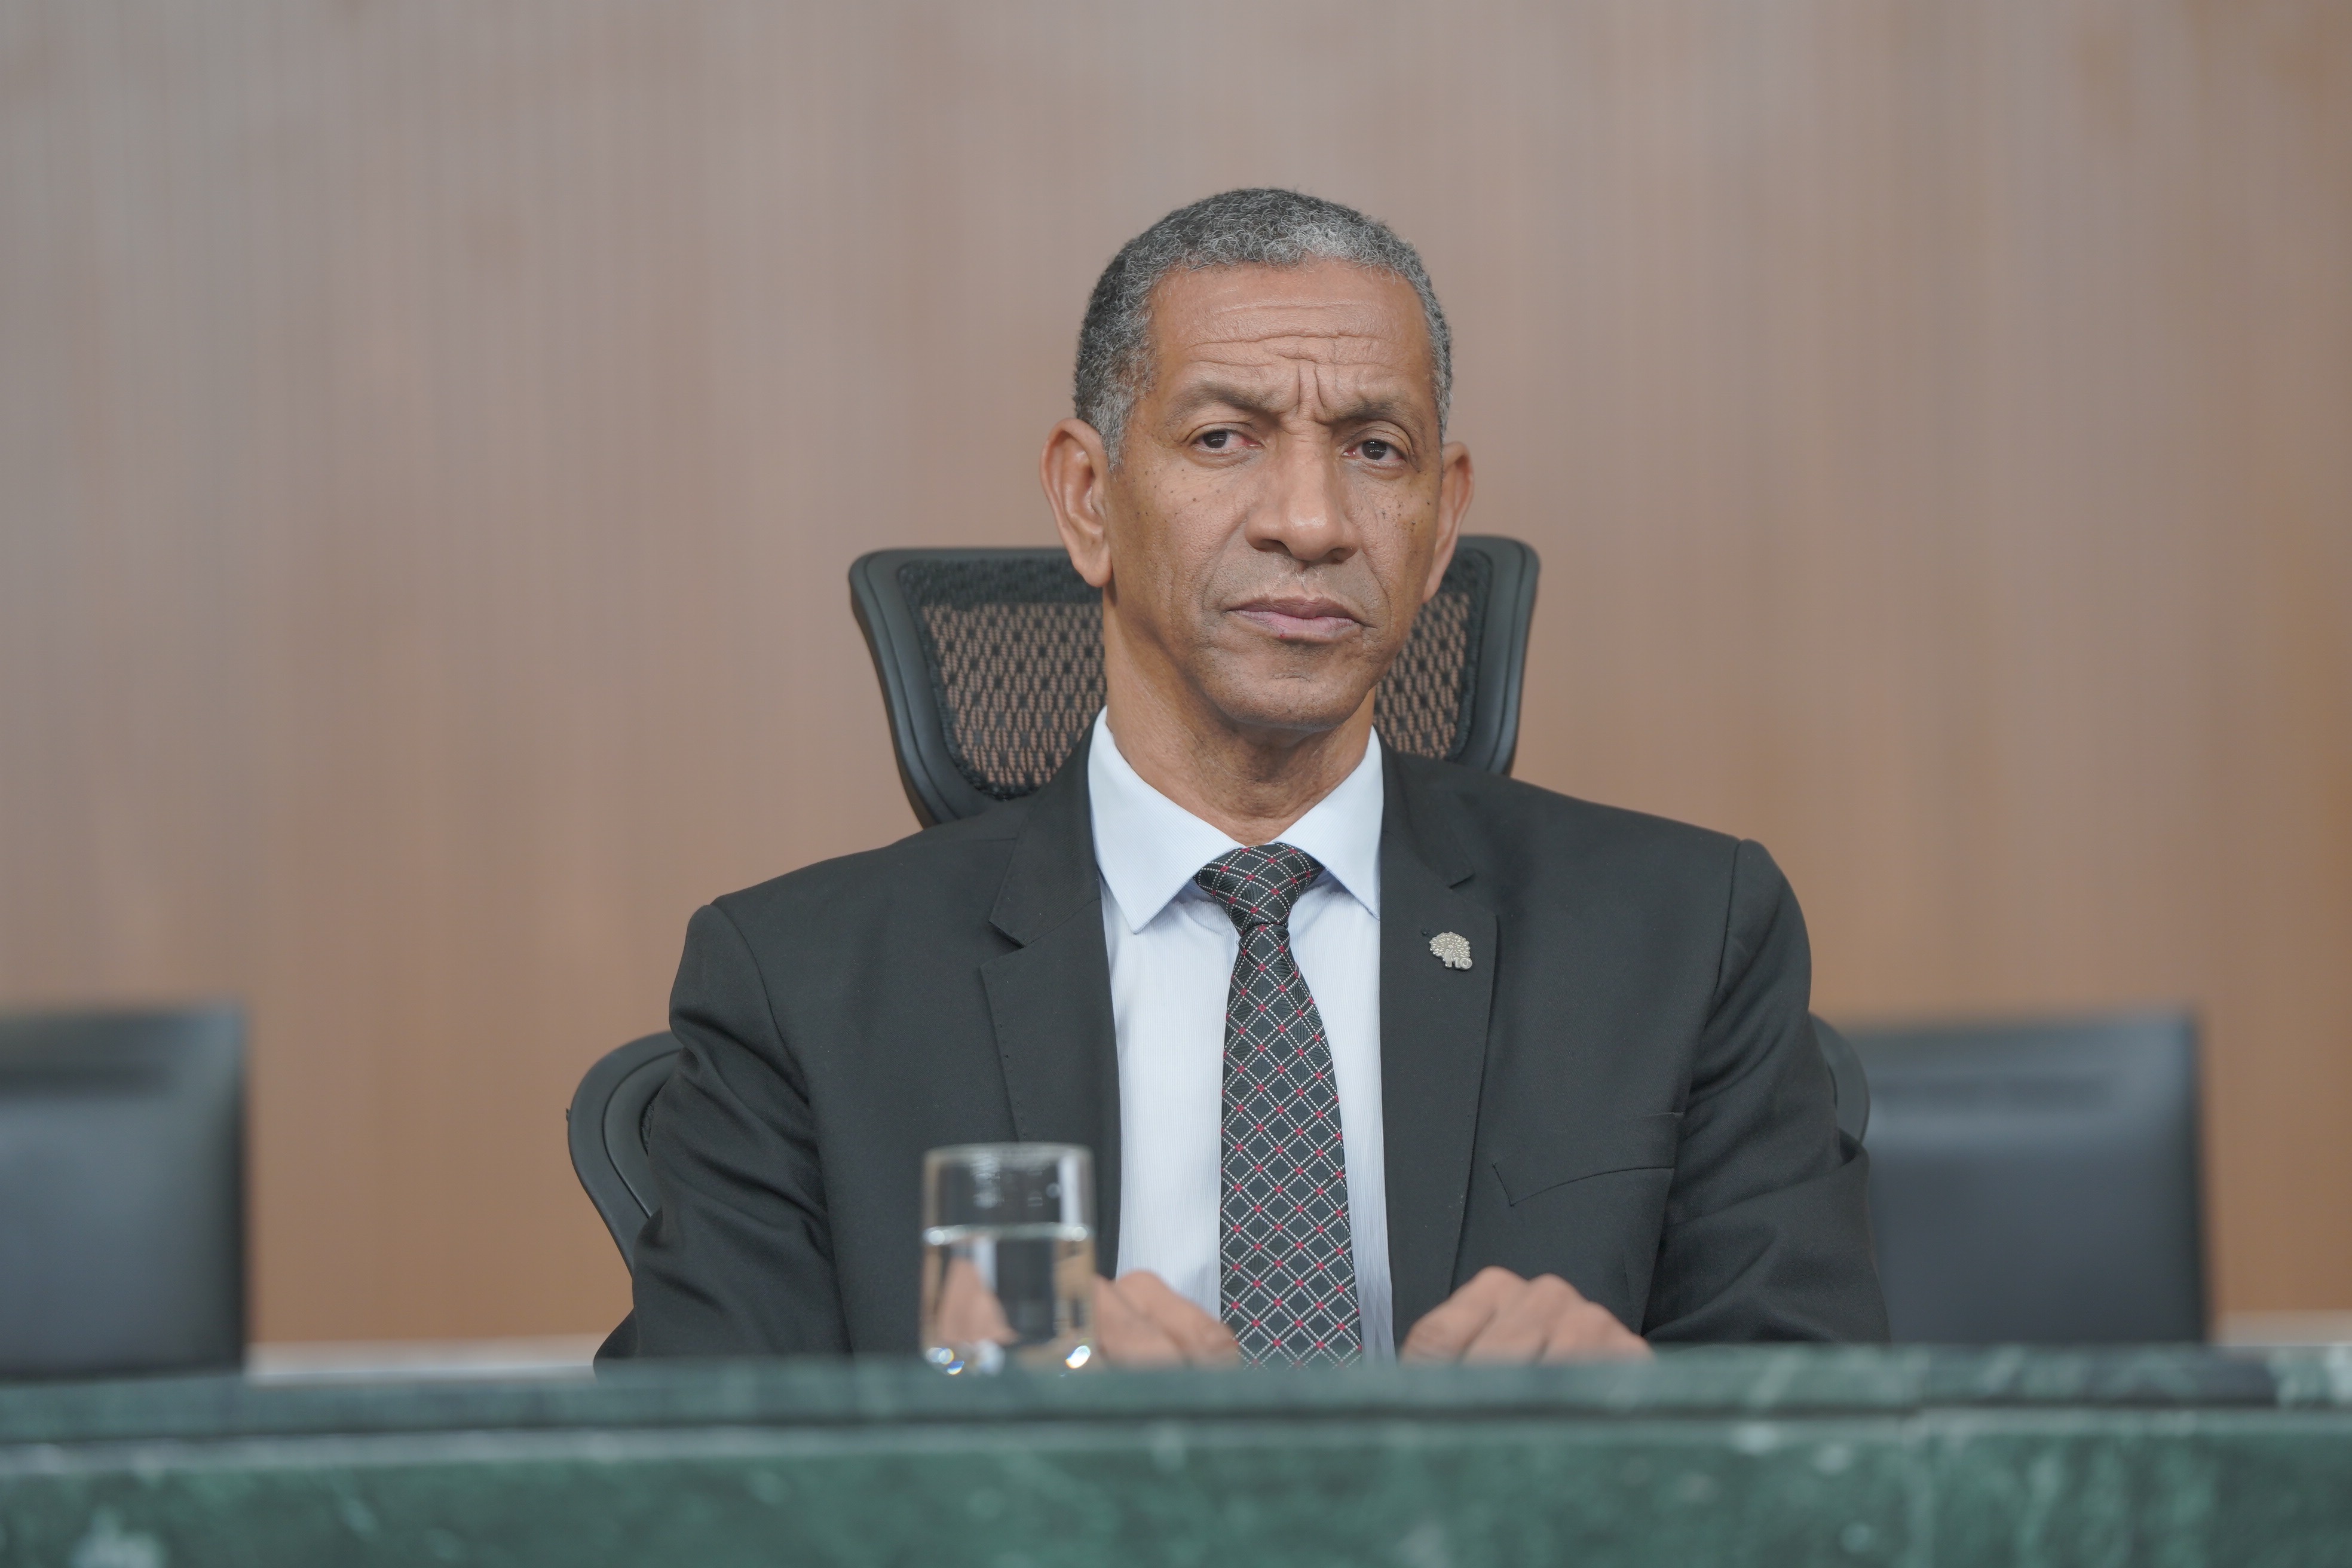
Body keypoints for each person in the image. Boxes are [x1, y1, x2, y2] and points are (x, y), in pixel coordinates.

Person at [606, 189, 1885, 1367]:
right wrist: (996, 1459)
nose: (1311, 522)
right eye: (1225, 437)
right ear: (1088, 498)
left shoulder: (1681, 937)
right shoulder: (805, 988)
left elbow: (1837, 1438)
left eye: (1374, 449)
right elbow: (677, 1482)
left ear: (1442, 519)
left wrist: (1651, 1425)